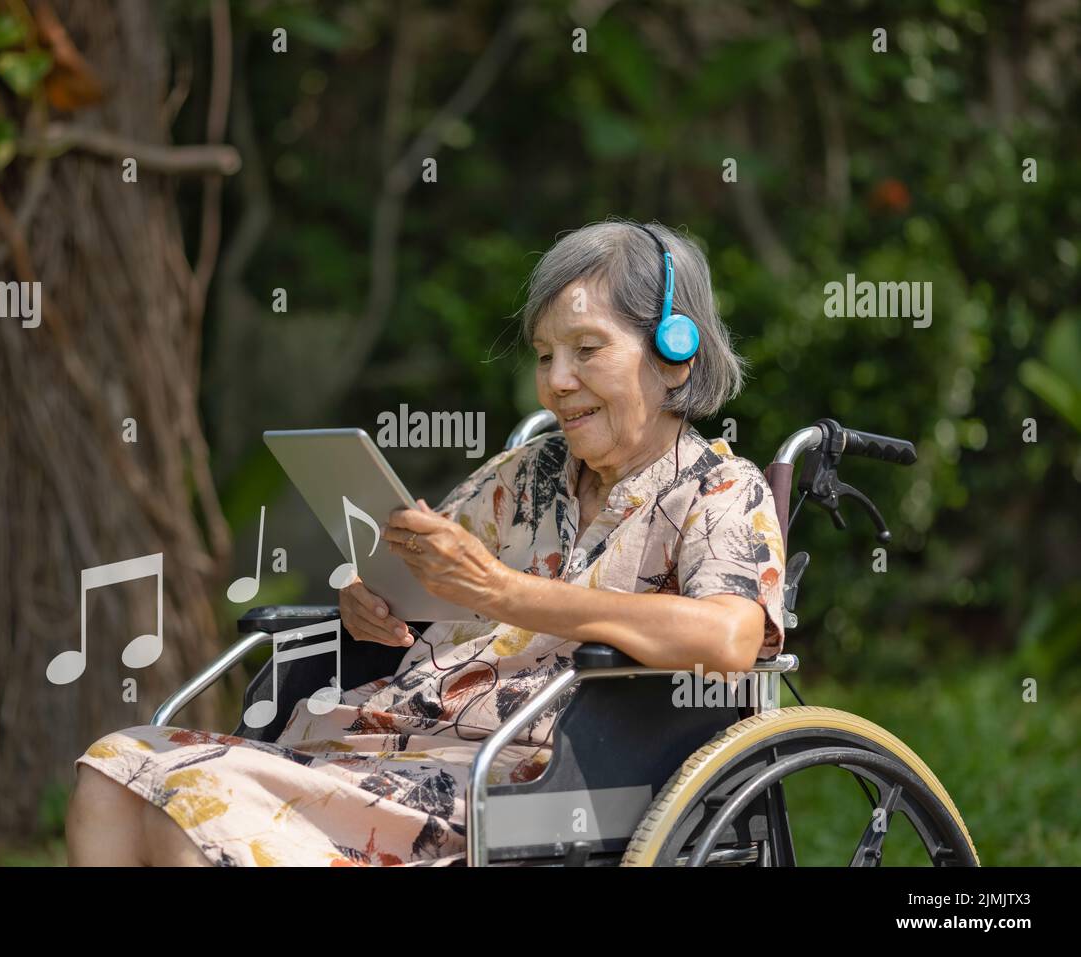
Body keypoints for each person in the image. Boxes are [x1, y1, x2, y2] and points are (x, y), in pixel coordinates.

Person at [66, 218, 786, 866]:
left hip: (509, 775)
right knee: (113, 770)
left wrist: (509, 594)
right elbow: (426, 573)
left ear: (674, 355)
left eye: (586, 350)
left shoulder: (719, 489)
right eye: (543, 356)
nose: (556, 384)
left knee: (198, 807)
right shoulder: (522, 475)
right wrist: (369, 600)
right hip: (383, 737)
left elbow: (728, 635)